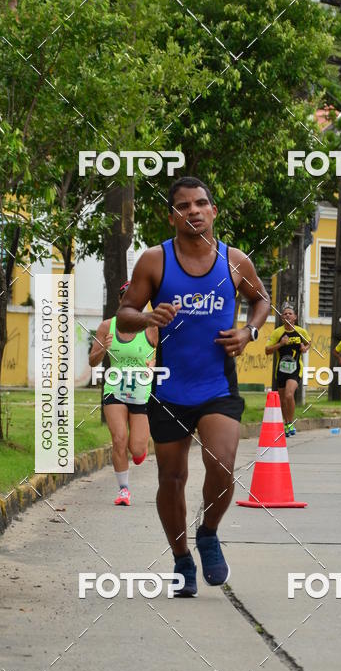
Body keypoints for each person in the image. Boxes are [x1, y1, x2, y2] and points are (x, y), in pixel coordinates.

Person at [117, 176, 270, 597]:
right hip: (169, 389)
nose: (194, 210)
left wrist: (249, 334)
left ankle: (208, 533)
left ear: (214, 211)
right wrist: (149, 318)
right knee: (172, 477)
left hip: (217, 384)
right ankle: (182, 559)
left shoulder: (235, 261)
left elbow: (262, 301)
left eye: (201, 203)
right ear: (173, 216)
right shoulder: (154, 261)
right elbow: (124, 313)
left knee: (222, 463)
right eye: (184, 206)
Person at [89, 282, 158, 506]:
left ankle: (138, 452)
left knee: (137, 448)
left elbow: (163, 355)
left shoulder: (151, 327)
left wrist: (153, 363)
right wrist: (103, 348)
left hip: (141, 392)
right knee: (119, 439)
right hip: (114, 390)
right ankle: (124, 490)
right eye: (125, 296)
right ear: (120, 301)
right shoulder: (107, 326)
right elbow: (92, 361)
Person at [265, 303, 311, 436]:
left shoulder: (301, 331)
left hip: (296, 369)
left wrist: (304, 349)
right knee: (283, 400)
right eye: (285, 314)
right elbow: (267, 350)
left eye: (290, 313)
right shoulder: (277, 333)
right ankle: (287, 423)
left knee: (289, 395)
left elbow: (308, 343)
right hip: (281, 370)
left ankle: (290, 423)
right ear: (281, 317)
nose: (287, 315)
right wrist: (280, 344)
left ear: (295, 317)